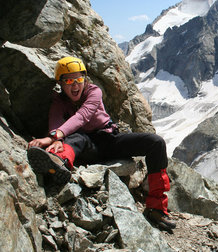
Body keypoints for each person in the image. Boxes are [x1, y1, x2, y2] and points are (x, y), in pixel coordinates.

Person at [27, 56, 175, 230]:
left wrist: (54, 136)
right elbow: (55, 121)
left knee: (155, 143)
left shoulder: (94, 91)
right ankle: (57, 162)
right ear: (60, 82)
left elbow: (83, 116)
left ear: (84, 79)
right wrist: (55, 139)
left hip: (110, 140)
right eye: (68, 80)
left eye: (79, 79)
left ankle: (156, 208)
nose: (75, 85)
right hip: (86, 145)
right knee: (75, 139)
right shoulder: (59, 101)